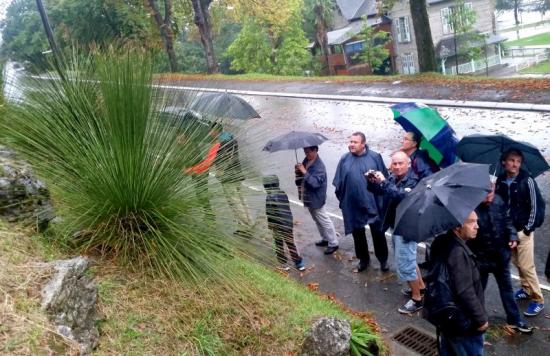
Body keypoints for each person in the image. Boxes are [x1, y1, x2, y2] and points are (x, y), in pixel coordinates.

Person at [468, 184, 533, 333]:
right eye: (485, 193)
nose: (488, 197)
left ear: (494, 188)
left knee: (507, 290)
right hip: (481, 259)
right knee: (478, 291)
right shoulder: (471, 207)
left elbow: (507, 221)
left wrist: (512, 236)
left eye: (490, 192)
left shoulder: (499, 201)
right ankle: (476, 319)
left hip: (501, 257)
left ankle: (515, 319)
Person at [367, 151, 424, 314]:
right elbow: (381, 192)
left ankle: (416, 299)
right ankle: (421, 287)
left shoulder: (413, 181)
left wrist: (384, 182)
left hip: (407, 228)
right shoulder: (393, 178)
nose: (397, 167)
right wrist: (371, 182)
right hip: (396, 225)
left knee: (405, 263)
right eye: (394, 164)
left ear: (408, 164)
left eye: (401, 163)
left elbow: (400, 196)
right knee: (410, 259)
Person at [429, 211, 488, 356]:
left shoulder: (442, 241)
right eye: (471, 222)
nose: (477, 226)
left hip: (449, 320)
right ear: (457, 226)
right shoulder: (457, 253)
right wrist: (481, 320)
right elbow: (465, 291)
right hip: (464, 324)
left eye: (477, 221)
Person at [495, 149, 545, 317]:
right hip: (509, 231)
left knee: (526, 265)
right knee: (517, 261)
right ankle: (525, 288)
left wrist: (528, 228)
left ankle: (538, 299)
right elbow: (500, 205)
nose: (515, 164)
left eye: (518, 161)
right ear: (504, 162)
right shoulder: (501, 180)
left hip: (523, 230)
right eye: (511, 160)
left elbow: (537, 206)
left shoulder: (527, 180)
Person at [333, 132, 389, 272]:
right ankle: (363, 259)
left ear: (363, 144)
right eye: (350, 141)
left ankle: (383, 259)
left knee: (378, 232)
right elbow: (339, 182)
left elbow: (384, 180)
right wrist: (344, 200)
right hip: (353, 204)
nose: (351, 144)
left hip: (373, 203)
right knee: (358, 234)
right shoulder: (344, 159)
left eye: (355, 142)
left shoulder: (375, 157)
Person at [294, 146, 339, 255]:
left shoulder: (319, 166)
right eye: (305, 152)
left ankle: (333, 243)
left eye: (308, 152)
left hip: (316, 199)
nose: (306, 154)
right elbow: (301, 179)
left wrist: (304, 171)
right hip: (308, 198)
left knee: (324, 220)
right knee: (317, 220)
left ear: (315, 150)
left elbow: (315, 184)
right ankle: (325, 239)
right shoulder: (307, 160)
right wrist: (298, 171)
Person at [210, 123, 253, 234]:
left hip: (228, 176)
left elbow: (226, 159)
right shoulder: (231, 138)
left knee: (235, 202)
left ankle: (244, 227)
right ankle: (250, 221)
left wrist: (220, 172)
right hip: (238, 173)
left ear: (215, 131)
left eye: (211, 131)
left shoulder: (222, 143)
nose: (210, 133)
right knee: (241, 198)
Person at [263, 175, 305, 271]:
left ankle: (283, 263)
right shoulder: (283, 193)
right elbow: (287, 208)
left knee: (279, 244)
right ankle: (299, 263)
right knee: (290, 244)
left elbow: (269, 213)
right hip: (287, 223)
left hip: (277, 225)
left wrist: (271, 225)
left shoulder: (269, 197)